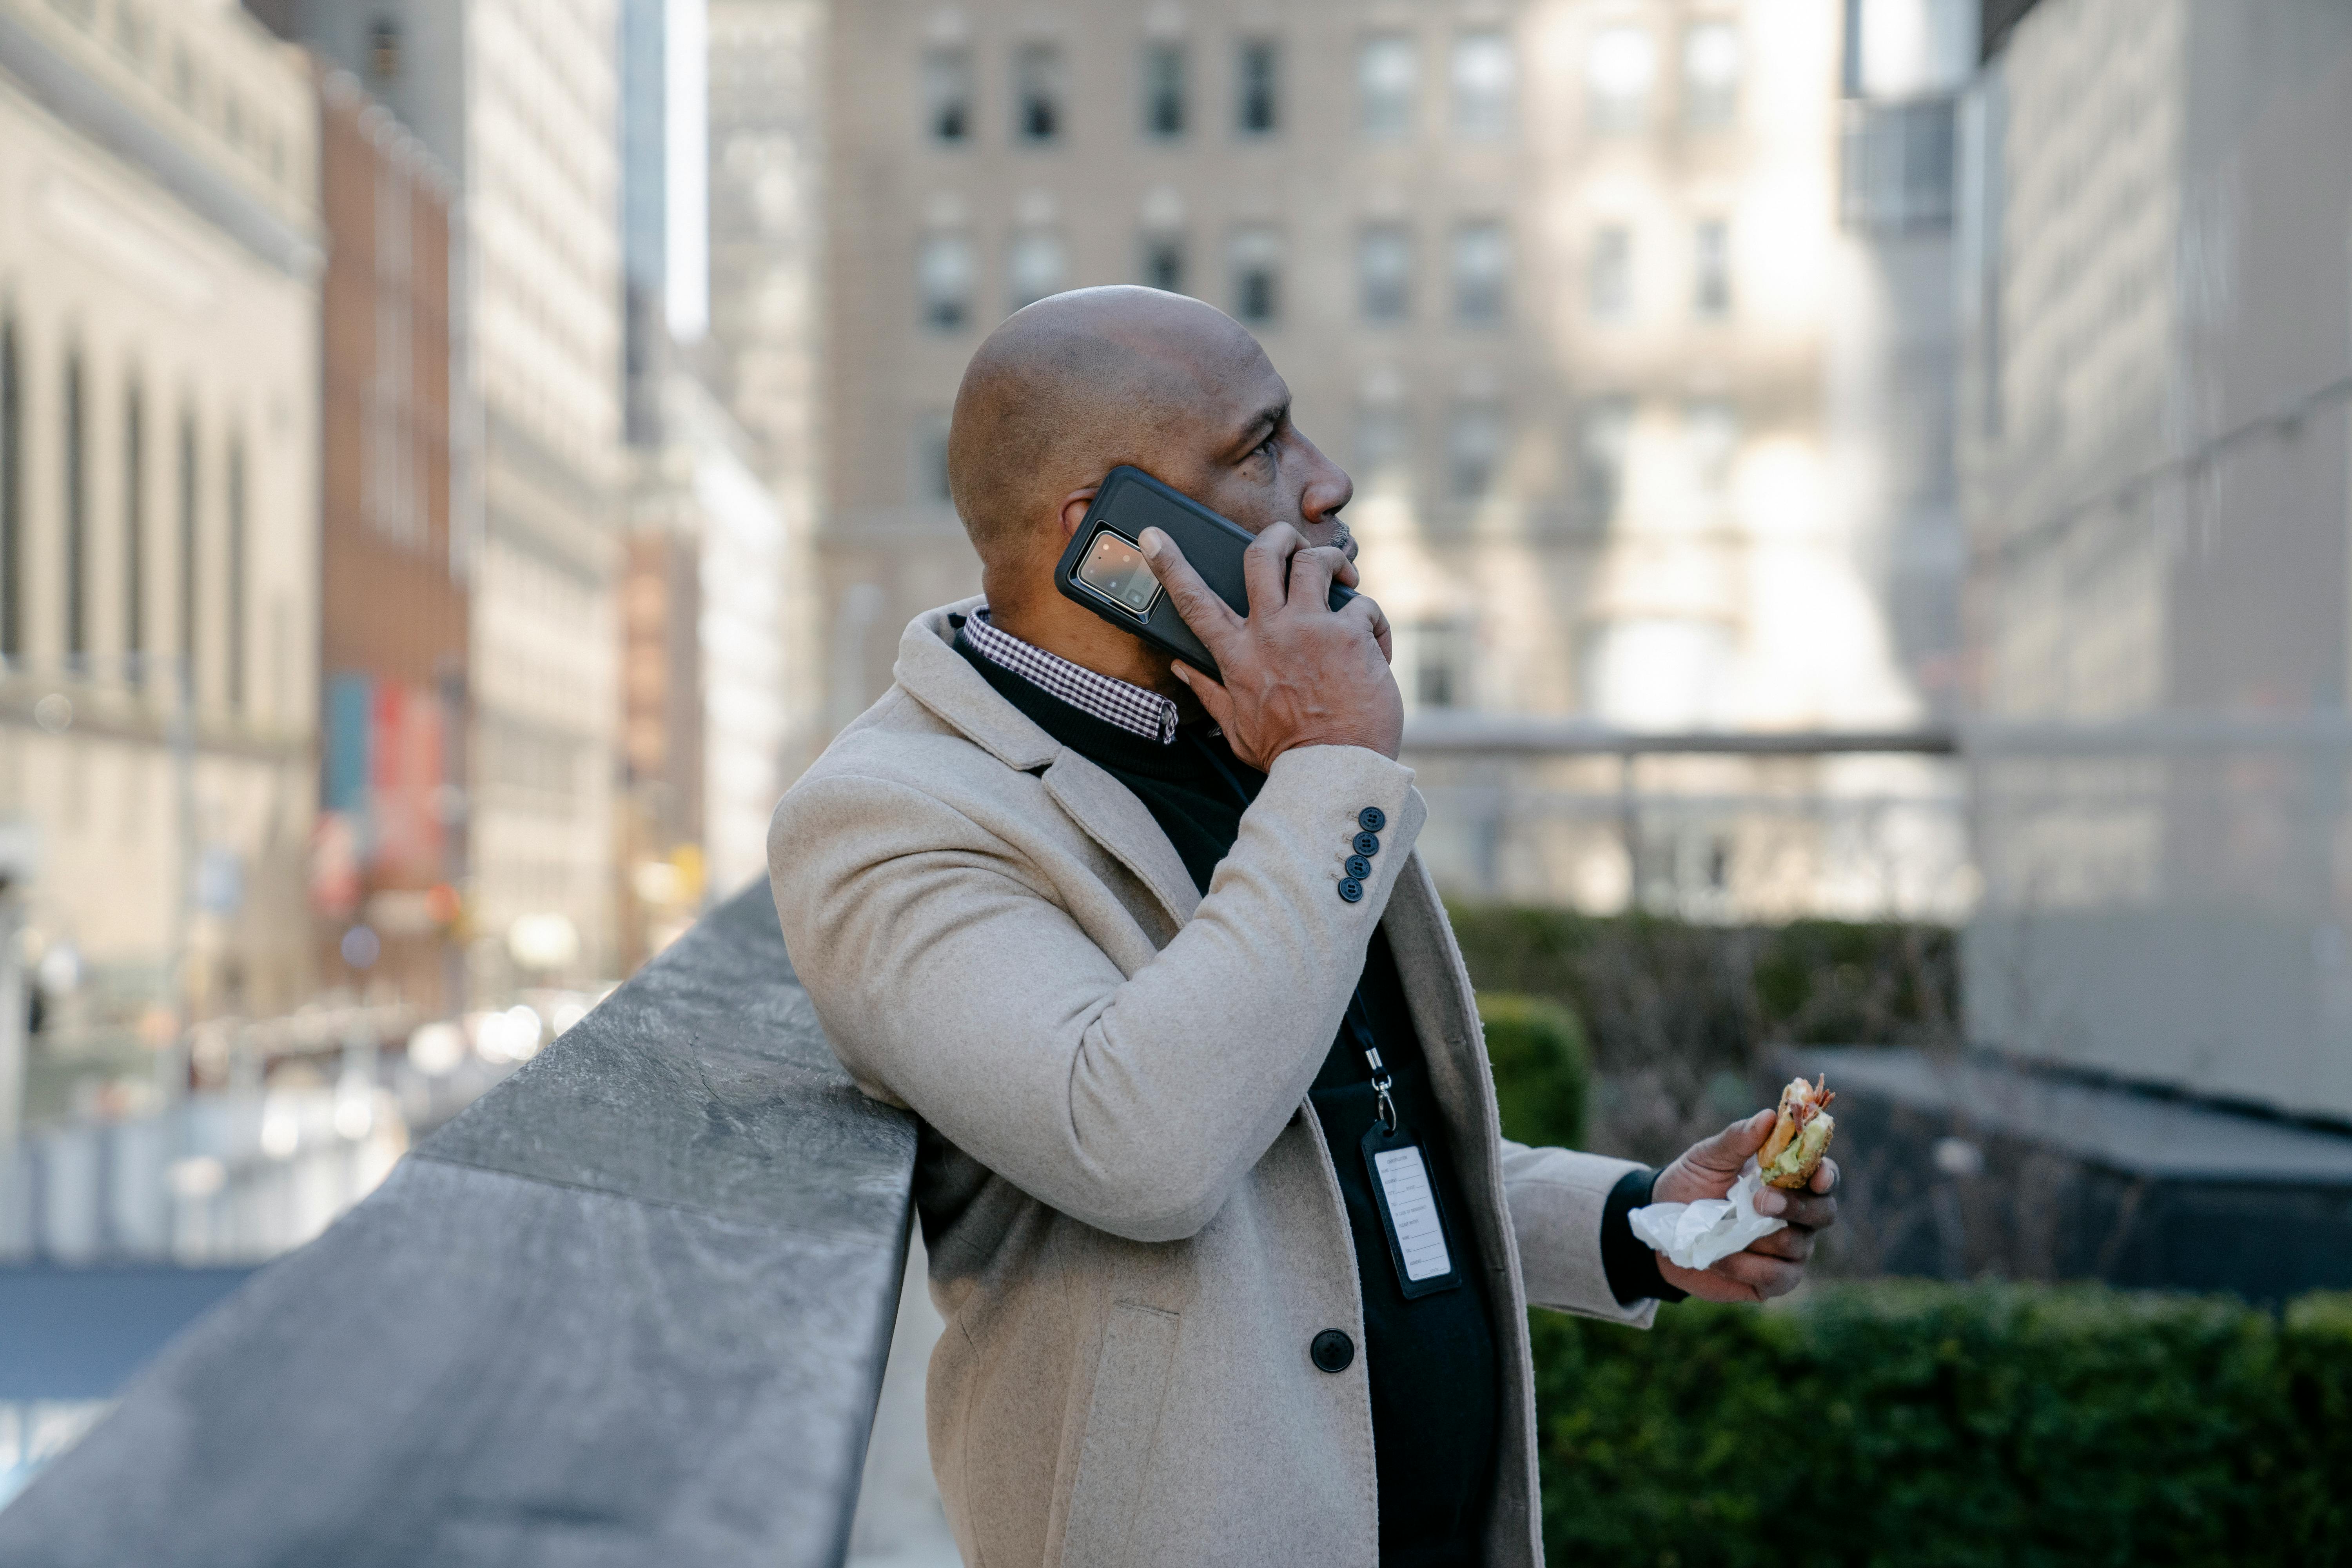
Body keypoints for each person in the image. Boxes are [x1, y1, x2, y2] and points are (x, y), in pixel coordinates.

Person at [767, 287, 1839, 1568]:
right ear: (1114, 539)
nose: (1326, 485)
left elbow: (1336, 1144)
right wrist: (1330, 763)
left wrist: (1637, 1225)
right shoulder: (892, 817)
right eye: (1262, 447)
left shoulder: (1246, 733)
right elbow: (1143, 1144)